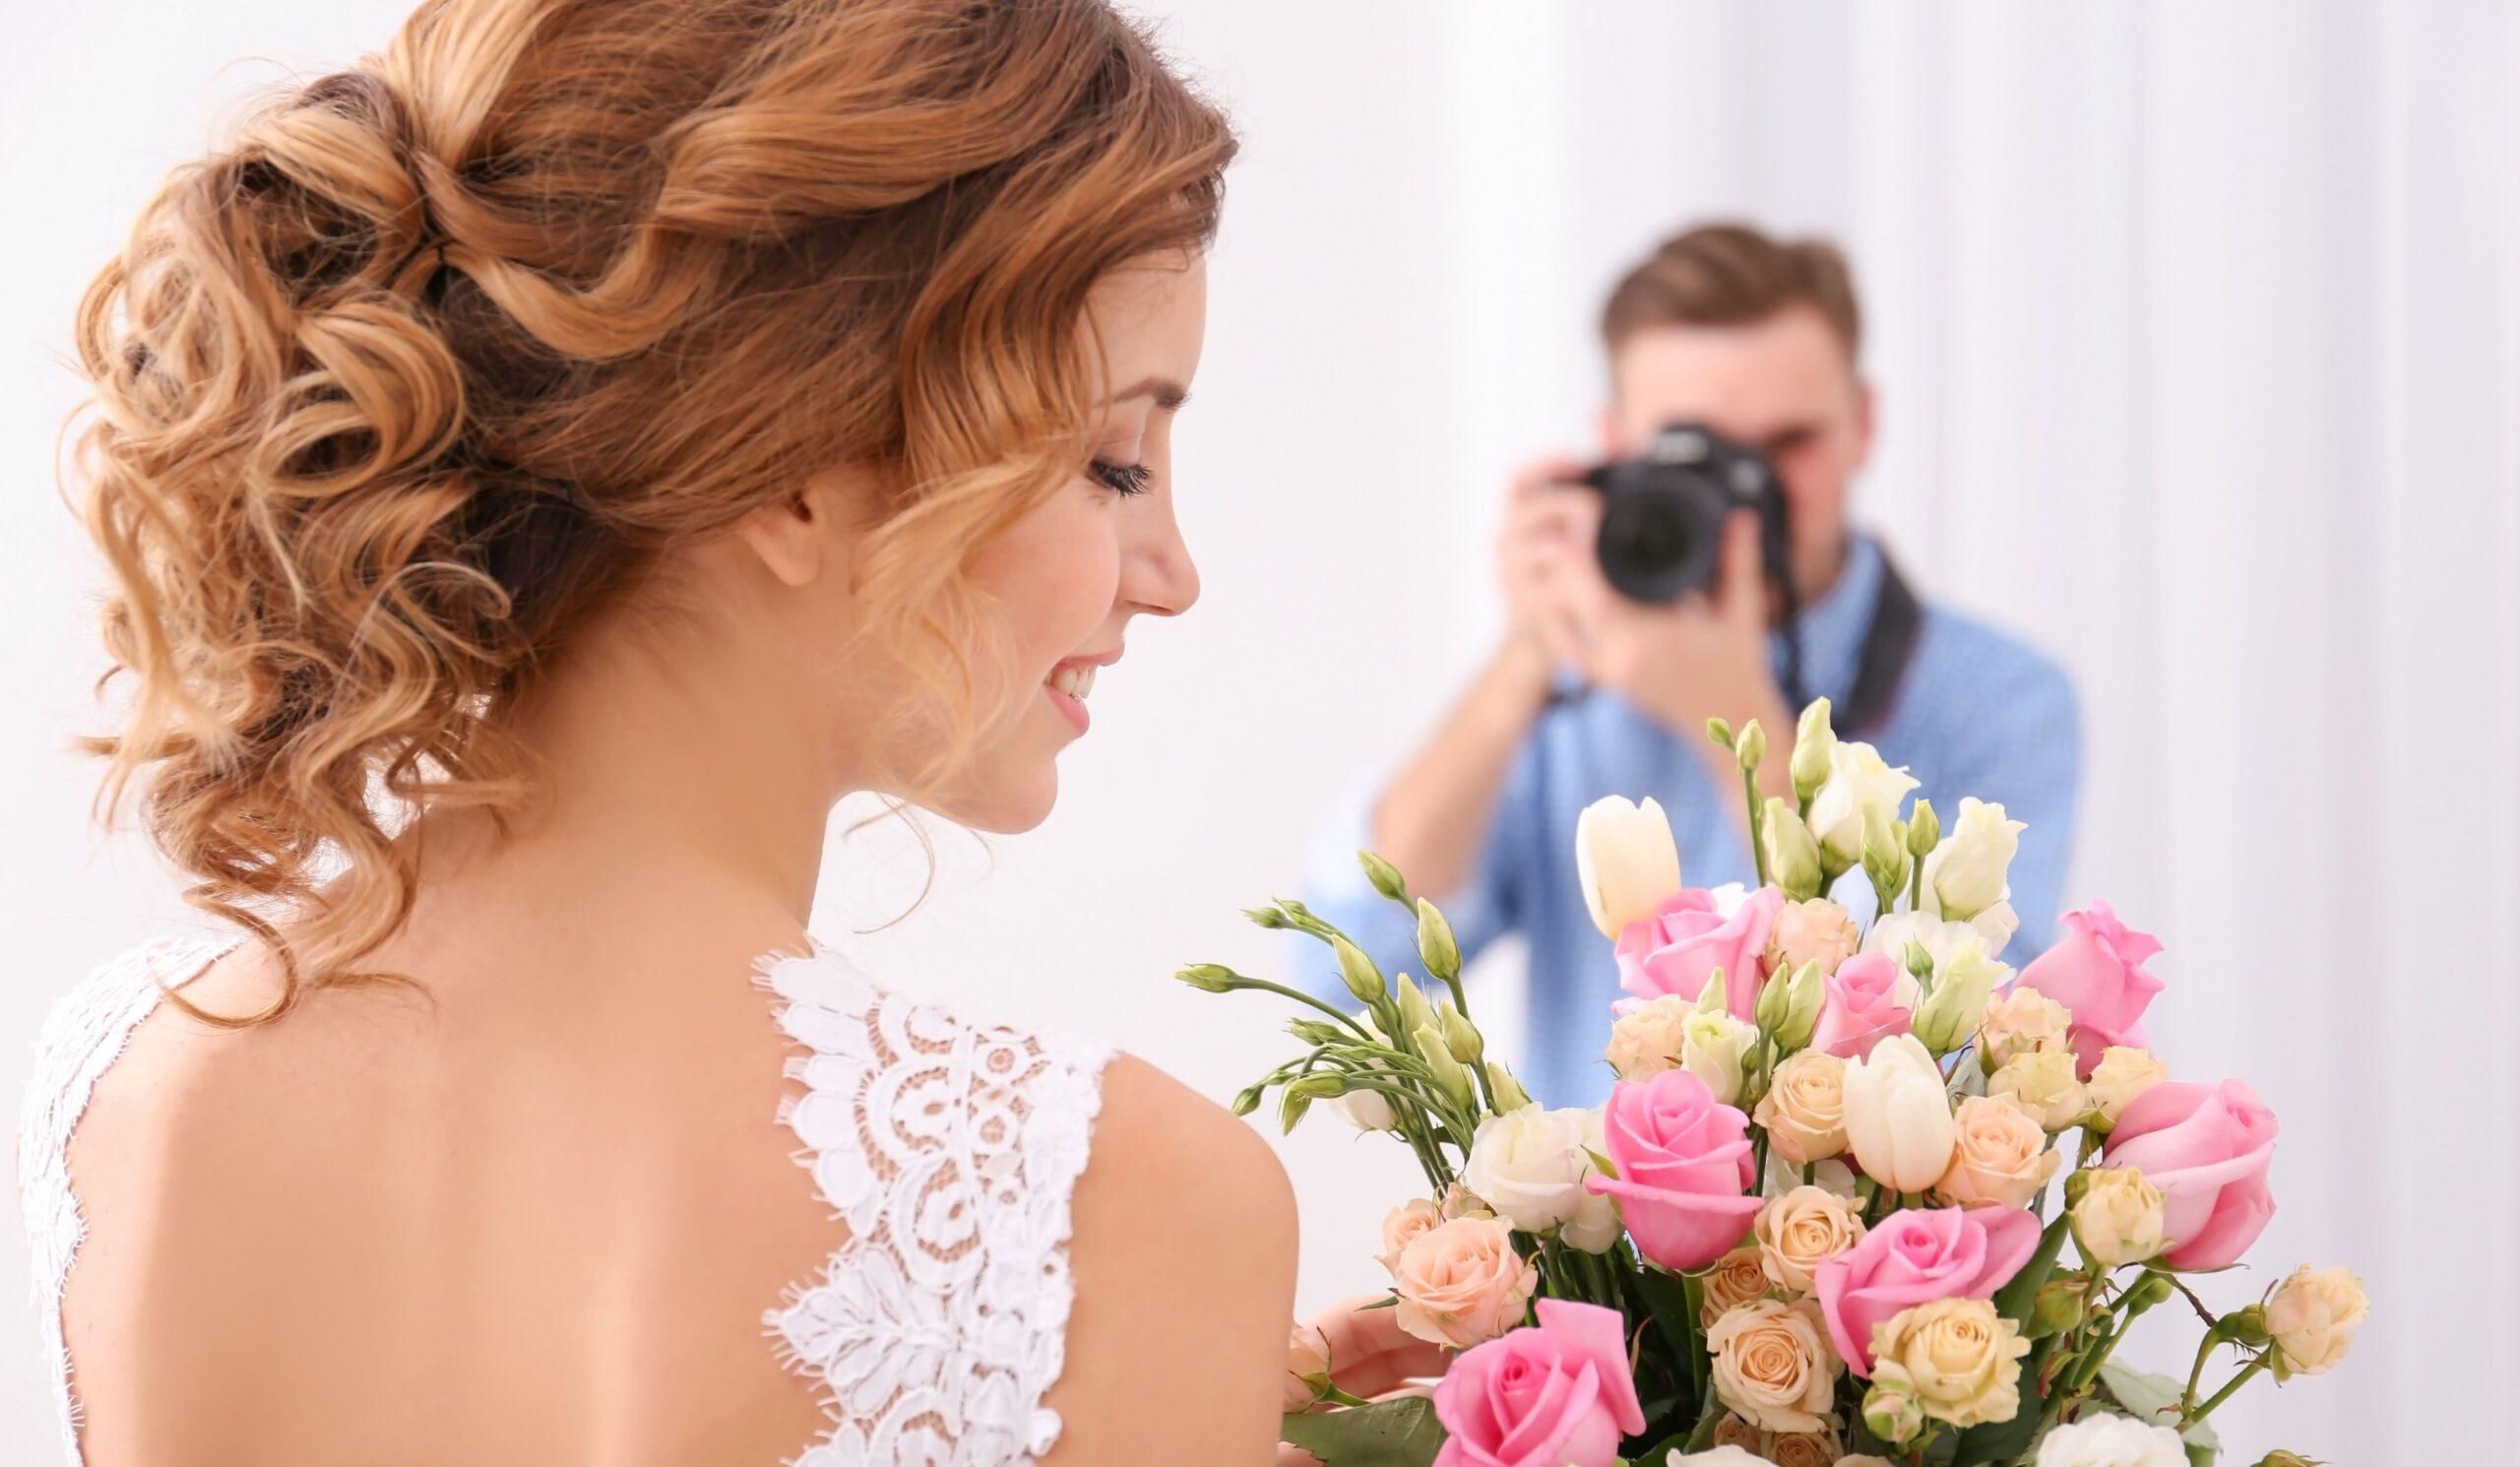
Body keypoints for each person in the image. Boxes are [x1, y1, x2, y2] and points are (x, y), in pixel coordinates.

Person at [14, 3, 1319, 1462]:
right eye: (1113, 462)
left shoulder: (140, 1078)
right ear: (799, 469)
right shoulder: (1109, 1197)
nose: (1174, 573)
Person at [1300, 223, 2082, 1110]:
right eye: (1698, 453)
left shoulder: (2001, 700)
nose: (1749, 496)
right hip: (1590, 1245)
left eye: (1787, 445)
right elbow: (1342, 965)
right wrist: (1523, 658)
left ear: (1864, 425)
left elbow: (1956, 1057)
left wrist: (1739, 727)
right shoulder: (1576, 688)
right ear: (1614, 449)